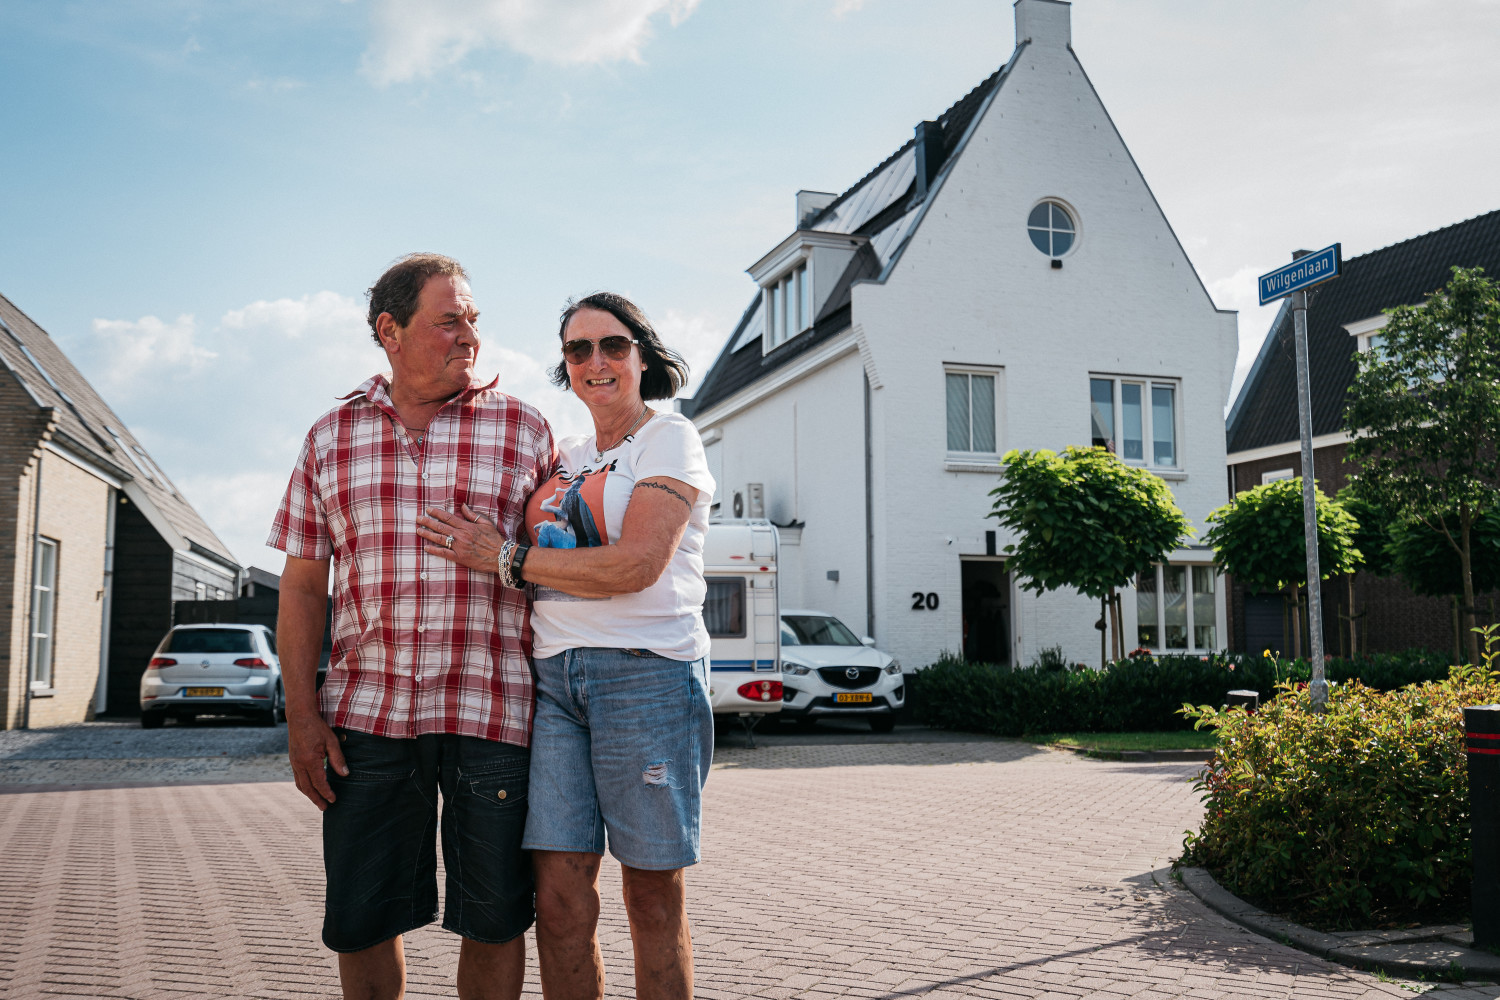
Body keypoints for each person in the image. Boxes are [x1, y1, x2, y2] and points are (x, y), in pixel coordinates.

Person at [269, 253, 556, 1000]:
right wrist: (302, 716)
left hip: (492, 714)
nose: (470, 336)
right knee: (363, 919)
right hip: (366, 716)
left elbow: (560, 569)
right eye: (450, 319)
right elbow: (303, 587)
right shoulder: (330, 435)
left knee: (494, 920)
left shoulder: (526, 429)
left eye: (473, 320)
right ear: (389, 330)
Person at [418, 291, 715, 1000]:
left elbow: (636, 565)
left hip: (646, 676)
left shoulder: (668, 438)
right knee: (556, 898)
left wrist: (506, 558)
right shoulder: (568, 454)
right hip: (553, 685)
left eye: (613, 345)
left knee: (650, 896)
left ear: (644, 356)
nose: (596, 362)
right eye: (577, 350)